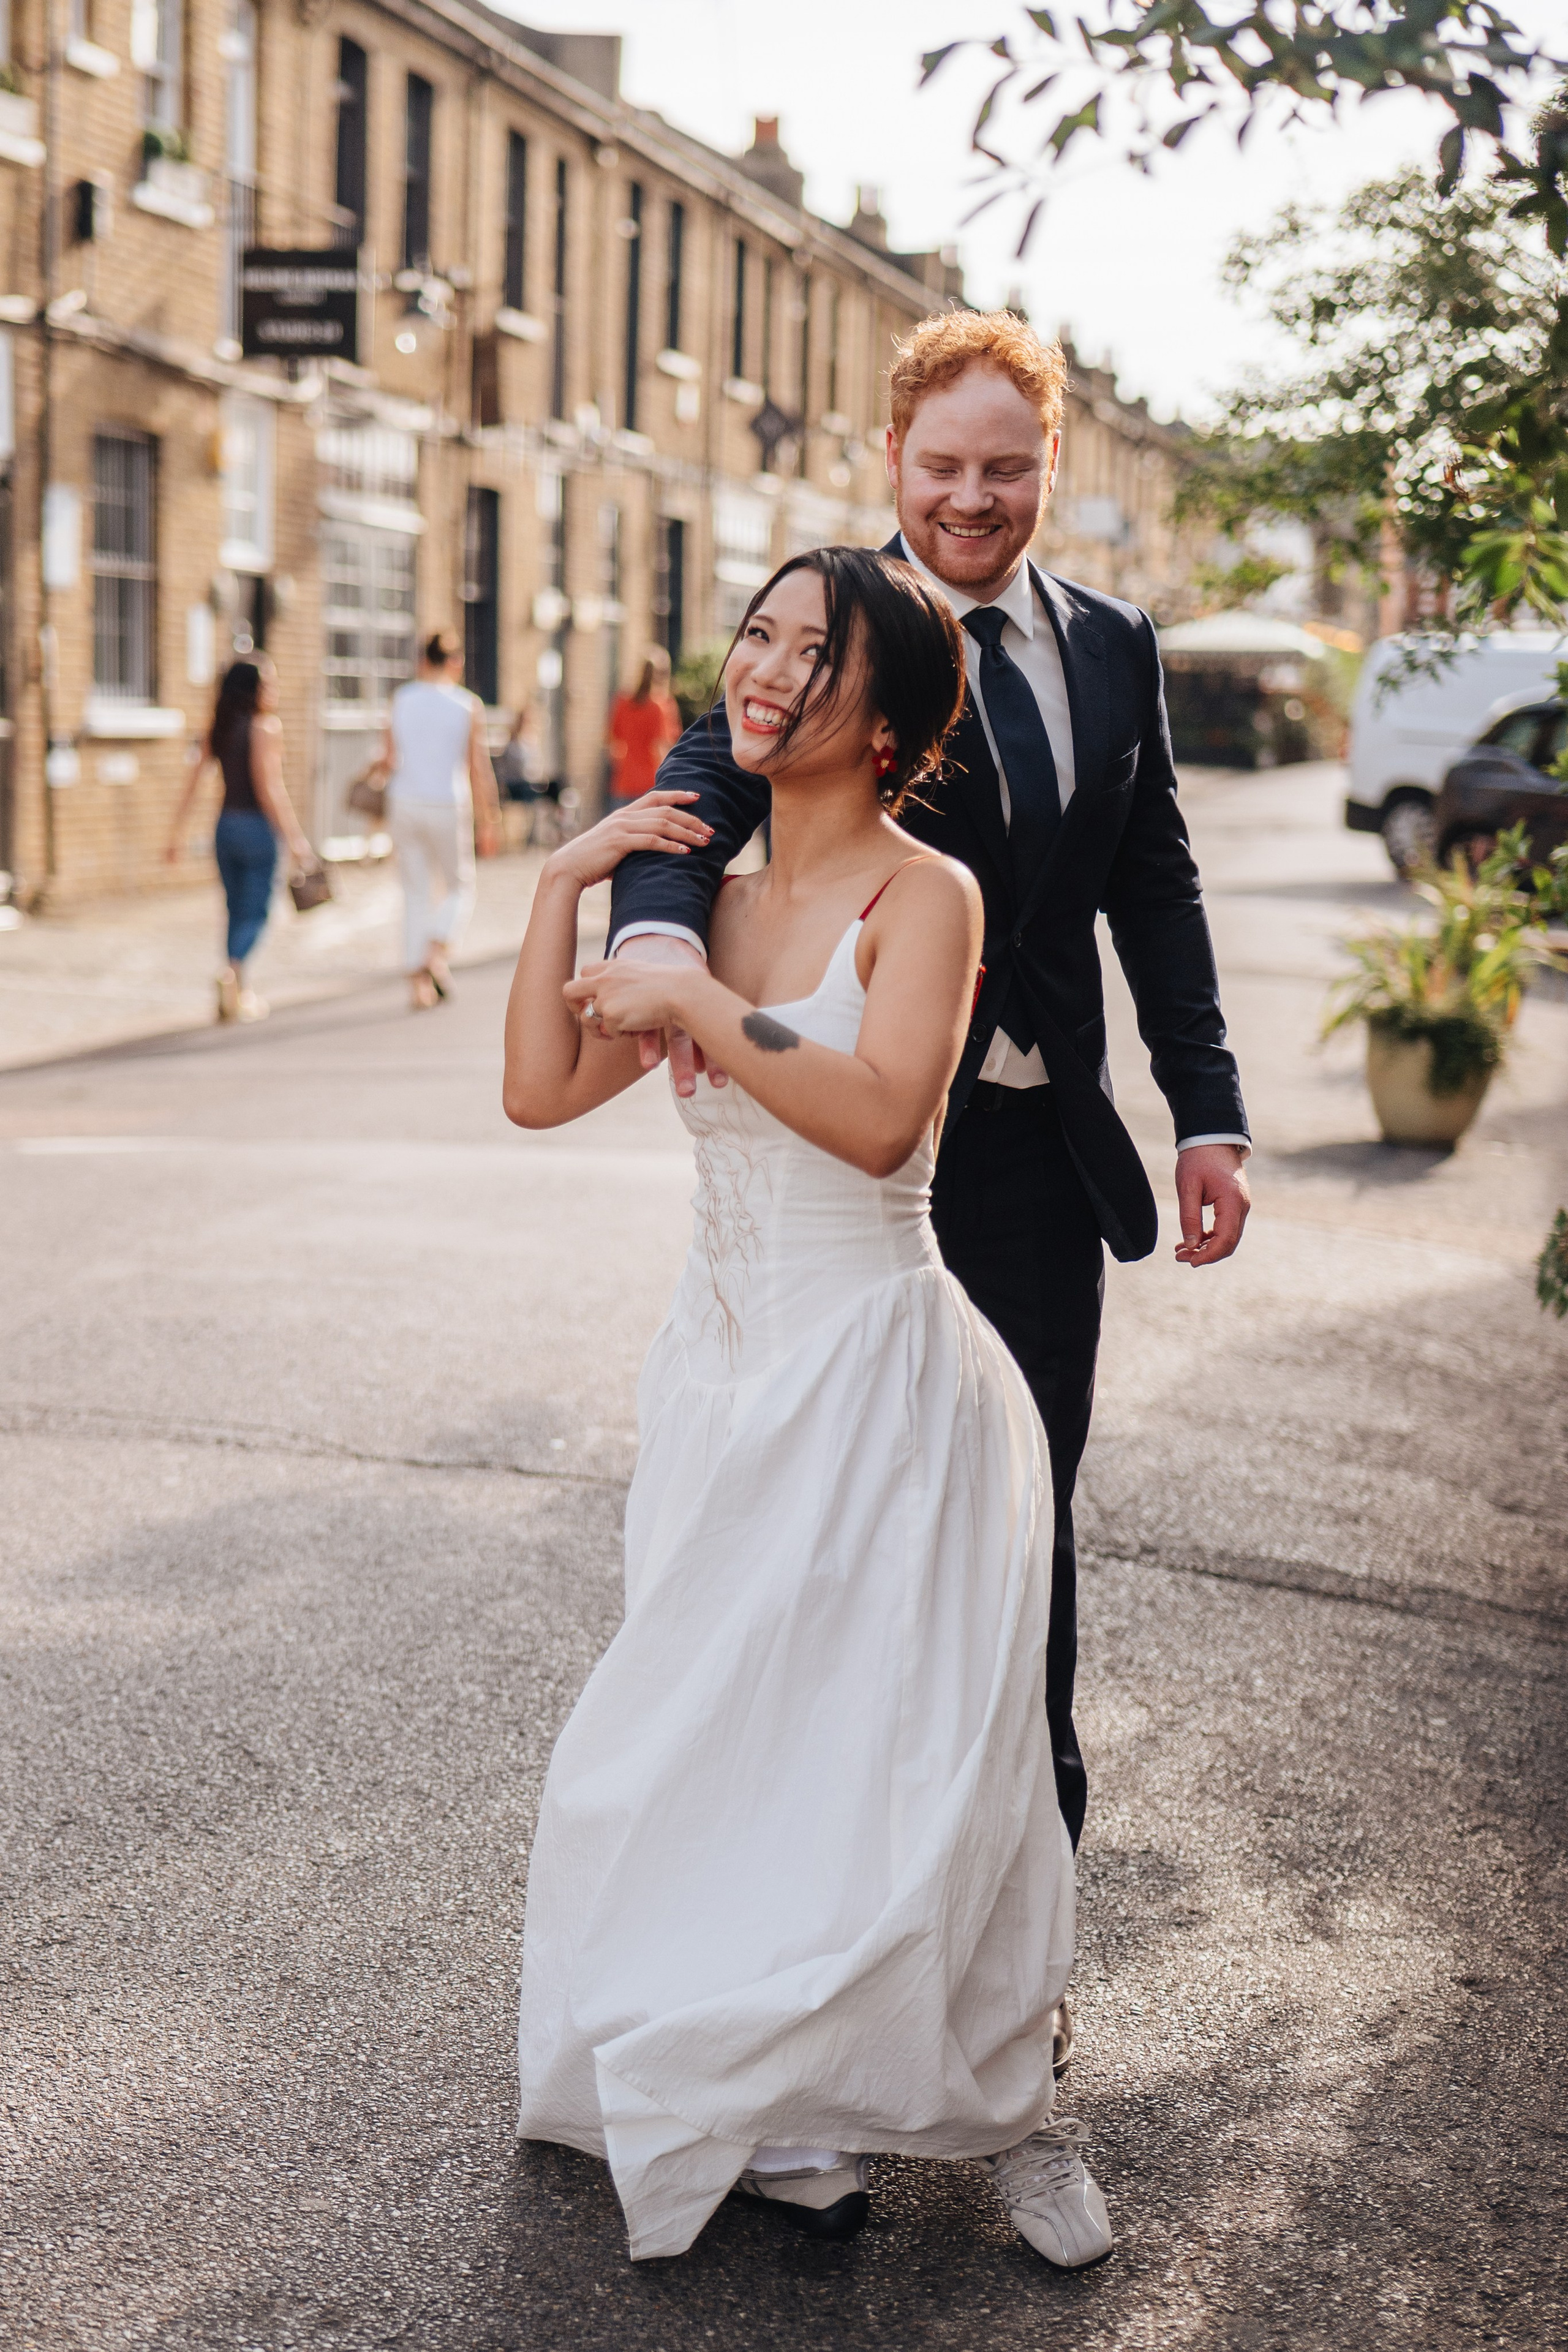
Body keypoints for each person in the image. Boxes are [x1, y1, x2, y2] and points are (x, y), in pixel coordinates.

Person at [504, 548, 1109, 2270]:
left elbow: (875, 1121)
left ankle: (922, 2101)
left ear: (897, 719)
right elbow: (540, 1090)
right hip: (716, 1368)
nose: (765, 672)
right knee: (720, 1736)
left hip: (876, 1376)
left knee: (881, 1753)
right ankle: (773, 2081)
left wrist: (697, 998)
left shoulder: (927, 899)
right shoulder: (697, 886)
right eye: (757, 638)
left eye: (814, 654)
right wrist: (567, 878)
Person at [606, 309, 1251, 1893]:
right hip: (856, 1157)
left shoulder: (1113, 644)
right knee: (829, 1555)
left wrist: (1208, 1108)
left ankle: (1012, 1915)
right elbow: (696, 785)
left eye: (1008, 469)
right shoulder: (833, 622)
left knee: (1017, 1540)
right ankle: (816, 1909)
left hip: (1036, 1164)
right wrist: (660, 944)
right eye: (945, 465)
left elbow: (1152, 886)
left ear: (1052, 468)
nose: (975, 498)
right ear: (891, 458)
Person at [165, 655, 314, 1024]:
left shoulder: (219, 726)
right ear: (251, 690)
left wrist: (175, 835)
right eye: (268, 684)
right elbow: (270, 790)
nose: (274, 691)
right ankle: (232, 972)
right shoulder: (266, 728)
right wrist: (295, 839)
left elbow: (192, 784)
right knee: (259, 912)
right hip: (257, 830)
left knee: (234, 910)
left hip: (225, 828)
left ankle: (236, 993)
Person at [380, 630, 503, 1010]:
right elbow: (477, 768)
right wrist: (489, 819)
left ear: (422, 661)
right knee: (460, 887)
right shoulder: (467, 705)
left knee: (415, 891)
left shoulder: (401, 700)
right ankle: (436, 951)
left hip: (404, 801)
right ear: (456, 662)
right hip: (447, 804)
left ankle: (420, 984)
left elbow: (389, 759)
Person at [605, 649, 681, 804]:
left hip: (624, 782)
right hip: (651, 784)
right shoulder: (662, 706)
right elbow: (662, 747)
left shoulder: (622, 702)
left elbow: (611, 742)